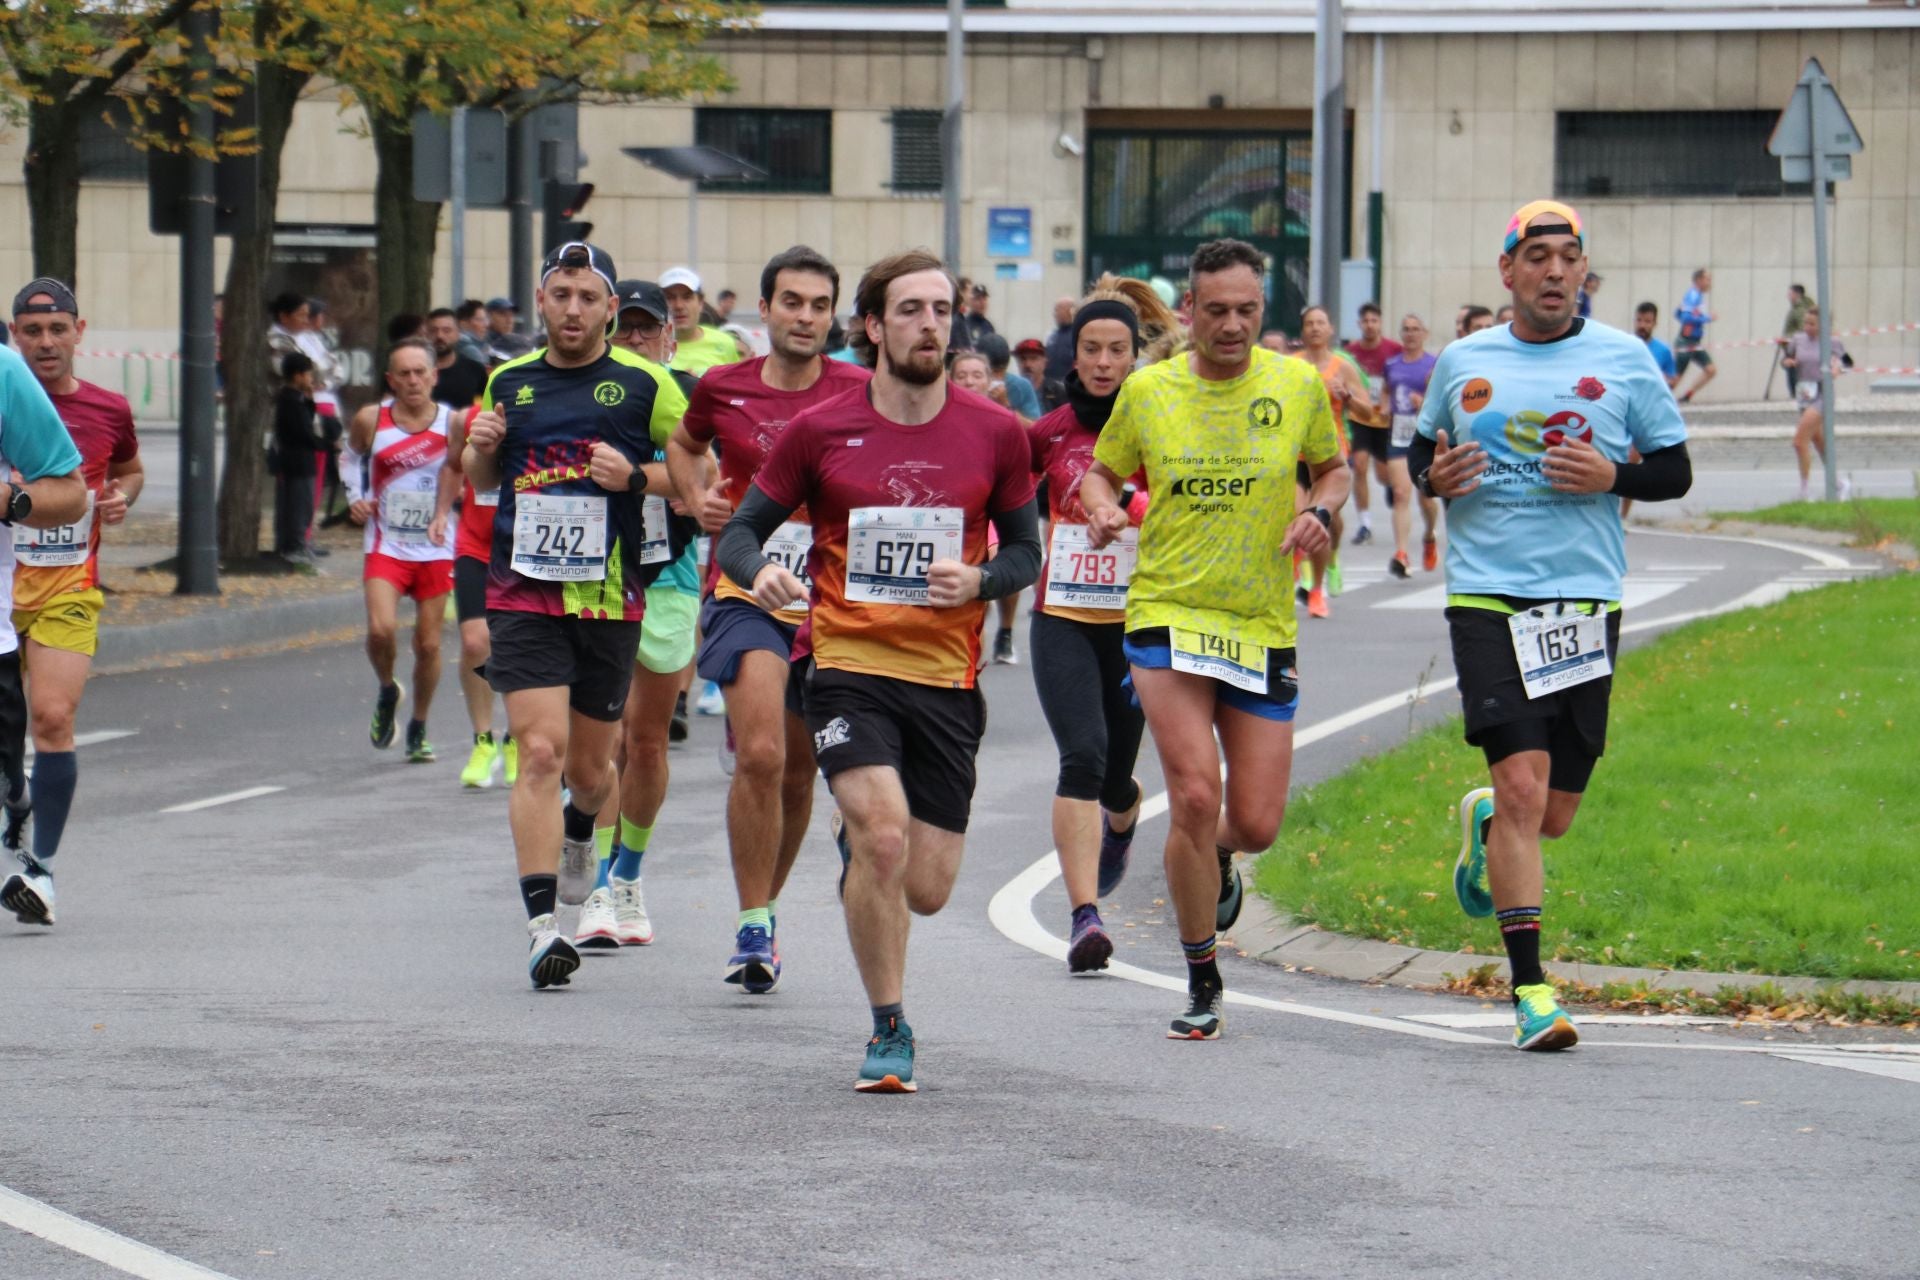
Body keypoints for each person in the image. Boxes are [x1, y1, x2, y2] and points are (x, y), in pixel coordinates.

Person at [715, 249, 1042, 1092]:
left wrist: (981, 579)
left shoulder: (995, 431)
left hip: (943, 675)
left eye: (941, 311)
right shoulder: (821, 430)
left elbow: (1026, 554)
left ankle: (863, 857)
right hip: (847, 663)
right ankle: (889, 1026)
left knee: (925, 887)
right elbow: (742, 534)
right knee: (885, 833)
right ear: (873, 326)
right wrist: (763, 575)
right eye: (910, 311)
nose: (930, 325)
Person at [1411, 199, 1690, 1052]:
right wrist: (1438, 476)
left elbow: (1674, 470)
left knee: (1553, 811)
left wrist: (1615, 472)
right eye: (1538, 256)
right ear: (1509, 273)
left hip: (1584, 602)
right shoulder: (1463, 361)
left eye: (1569, 256)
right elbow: (1421, 454)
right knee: (1525, 784)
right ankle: (1532, 990)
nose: (1556, 271)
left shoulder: (1626, 359)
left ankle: (1487, 830)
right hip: (1490, 597)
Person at [1080, 237, 1348, 1040]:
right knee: (1195, 794)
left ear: (1263, 312)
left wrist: (1321, 512)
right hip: (1167, 612)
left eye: (1248, 311)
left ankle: (1220, 854)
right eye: (1217, 311)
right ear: (1189, 310)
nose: (1232, 327)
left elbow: (1333, 469)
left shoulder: (1298, 385)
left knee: (1255, 821)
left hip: (1259, 621)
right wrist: (1098, 503)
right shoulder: (1150, 391)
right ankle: (1201, 976)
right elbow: (1103, 470)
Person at [463, 241, 687, 990]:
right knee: (540, 753)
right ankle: (541, 929)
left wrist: (635, 476)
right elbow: (485, 480)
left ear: (610, 309)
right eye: (561, 294)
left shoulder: (647, 385)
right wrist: (480, 451)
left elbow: (697, 476)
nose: (572, 310)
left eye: (588, 298)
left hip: (609, 595)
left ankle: (582, 829)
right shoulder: (508, 380)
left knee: (592, 772)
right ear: (541, 298)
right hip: (524, 591)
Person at [670, 246, 870, 991]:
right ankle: (751, 923)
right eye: (793, 302)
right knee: (760, 755)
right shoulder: (724, 387)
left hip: (835, 597)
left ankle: (769, 906)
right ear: (766, 309)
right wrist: (698, 502)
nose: (807, 318)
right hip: (748, 587)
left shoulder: (861, 389)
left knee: (798, 772)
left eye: (820, 306)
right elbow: (686, 445)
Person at [1027, 275, 1179, 972]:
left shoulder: (1160, 420)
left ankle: (1123, 815)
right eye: (1091, 348)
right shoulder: (1048, 433)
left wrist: (1135, 510)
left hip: (1135, 621)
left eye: (1117, 349)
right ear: (1074, 354)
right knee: (1080, 756)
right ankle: (1084, 916)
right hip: (1061, 615)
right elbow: (1003, 508)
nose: (1103, 362)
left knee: (1116, 774)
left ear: (1133, 356)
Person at [572, 279, 707, 952]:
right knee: (604, 741)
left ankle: (629, 873)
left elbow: (701, 475)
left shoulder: (685, 397)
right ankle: (597, 880)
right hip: (594, 576)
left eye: (645, 329)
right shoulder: (586, 390)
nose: (633, 339)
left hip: (669, 577)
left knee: (647, 740)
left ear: (669, 337)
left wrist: (636, 476)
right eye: (622, 327)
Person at [1, 280, 136, 929]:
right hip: (5, 582)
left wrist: (119, 497)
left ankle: (41, 871)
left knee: (52, 717)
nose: (45, 343)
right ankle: (16, 792)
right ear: (14, 334)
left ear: (80, 332)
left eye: (58, 330)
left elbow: (129, 469)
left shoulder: (109, 408)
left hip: (64, 584)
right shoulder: (4, 388)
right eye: (32, 331)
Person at [349, 339, 457, 765]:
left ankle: (418, 725)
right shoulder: (371, 420)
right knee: (380, 630)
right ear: (391, 379)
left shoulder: (453, 423)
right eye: (404, 374)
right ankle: (388, 687)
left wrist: (445, 512)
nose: (413, 381)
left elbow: (458, 468)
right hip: (386, 541)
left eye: (420, 372)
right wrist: (355, 495)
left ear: (434, 376)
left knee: (428, 645)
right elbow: (347, 457)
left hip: (434, 546)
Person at [430, 395, 515, 790]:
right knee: (475, 640)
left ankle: (517, 738)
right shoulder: (467, 418)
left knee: (518, 644)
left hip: (526, 549)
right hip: (476, 544)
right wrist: (442, 513)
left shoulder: (547, 407)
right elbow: (451, 466)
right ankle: (484, 741)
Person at [1296, 303, 1371, 619]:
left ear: (1330, 330)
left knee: (1331, 524)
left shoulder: (1343, 367)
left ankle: (1330, 562)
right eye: (1309, 323)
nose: (1314, 327)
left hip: (1330, 457)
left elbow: (1369, 413)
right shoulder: (1291, 365)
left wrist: (1347, 397)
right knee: (1300, 514)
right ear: (1302, 331)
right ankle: (1312, 589)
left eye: (1320, 322)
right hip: (1296, 454)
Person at [1380, 313, 1439, 578]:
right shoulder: (1392, 364)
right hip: (1398, 435)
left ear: (1424, 334)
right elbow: (1385, 389)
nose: (1411, 333)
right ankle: (1401, 553)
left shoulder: (1433, 364)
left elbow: (1441, 398)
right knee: (1401, 493)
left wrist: (1424, 401)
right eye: (1406, 329)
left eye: (1416, 329)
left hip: (1424, 437)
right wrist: (1383, 406)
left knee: (1425, 497)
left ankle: (1429, 535)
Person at [1343, 301, 1402, 547]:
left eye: (1374, 321)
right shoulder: (1351, 352)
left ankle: (1390, 485)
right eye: (1365, 321)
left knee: (1382, 474)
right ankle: (1365, 523)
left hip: (1385, 419)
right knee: (1359, 466)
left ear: (1380, 323)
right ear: (1359, 324)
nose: (1369, 325)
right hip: (1360, 417)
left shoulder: (1393, 349)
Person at [1782, 304, 1850, 502]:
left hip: (1822, 395)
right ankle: (1839, 483)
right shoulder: (1798, 340)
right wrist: (1788, 363)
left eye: (1812, 324)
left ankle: (1804, 491)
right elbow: (1786, 357)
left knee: (1798, 441)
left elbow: (1847, 362)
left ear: (1823, 325)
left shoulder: (1832, 342)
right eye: (1806, 323)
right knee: (1819, 442)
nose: (1807, 327)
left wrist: (1838, 368)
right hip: (1804, 395)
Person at [272, 352, 329, 562]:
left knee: (304, 503)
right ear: (297, 376)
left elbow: (307, 420)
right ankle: (294, 545)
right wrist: (323, 443)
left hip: (302, 461)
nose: (311, 378)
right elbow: (302, 432)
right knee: (298, 504)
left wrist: (310, 401)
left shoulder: (297, 399)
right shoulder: (289, 400)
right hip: (296, 461)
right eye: (308, 374)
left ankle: (300, 542)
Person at [660, 267, 742, 377]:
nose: (678, 306)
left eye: (687, 297)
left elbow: (735, 389)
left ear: (701, 303)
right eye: (670, 298)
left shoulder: (725, 343)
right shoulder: (649, 346)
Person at [427, 307, 488, 409]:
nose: (439, 336)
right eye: (433, 331)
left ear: (458, 334)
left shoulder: (475, 370)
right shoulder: (416, 372)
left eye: (446, 331)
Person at [1674, 268, 1716, 402]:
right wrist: (1707, 318)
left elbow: (1678, 313)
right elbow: (1685, 318)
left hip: (1694, 342)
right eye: (1707, 279)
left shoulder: (1696, 296)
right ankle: (1656, 400)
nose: (1710, 282)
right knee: (1675, 378)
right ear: (1699, 280)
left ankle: (1688, 395)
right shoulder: (1693, 296)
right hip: (1686, 341)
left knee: (1710, 370)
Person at [1014, 337, 1066, 414]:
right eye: (1023, 359)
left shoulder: (1058, 392)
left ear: (1045, 362)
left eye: (1033, 358)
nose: (1027, 364)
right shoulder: (1010, 390)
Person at [1633, 302, 1679, 388]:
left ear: (1654, 323)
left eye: (1647, 321)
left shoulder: (1664, 350)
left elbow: (1672, 379)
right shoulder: (1625, 347)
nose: (1642, 325)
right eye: (1639, 320)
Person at [1779, 284, 1813, 398]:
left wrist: (1788, 338)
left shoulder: (1799, 310)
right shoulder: (1799, 308)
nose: (1788, 296)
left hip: (1795, 348)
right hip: (1794, 346)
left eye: (1790, 294)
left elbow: (1803, 329)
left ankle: (1795, 395)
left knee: (1793, 372)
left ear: (1797, 294)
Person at [953, 283, 996, 352]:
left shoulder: (989, 326)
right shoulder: (964, 324)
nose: (982, 303)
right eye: (978, 299)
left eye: (984, 299)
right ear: (971, 302)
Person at [1043, 296, 1075, 385]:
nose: (1054, 314)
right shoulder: (1051, 336)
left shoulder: (1079, 335)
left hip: (1069, 386)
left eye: (1057, 310)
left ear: (1070, 311)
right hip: (1050, 386)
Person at [455, 299, 492, 366]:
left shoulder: (482, 345)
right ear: (463, 323)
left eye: (486, 319)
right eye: (480, 320)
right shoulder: (468, 348)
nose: (486, 324)